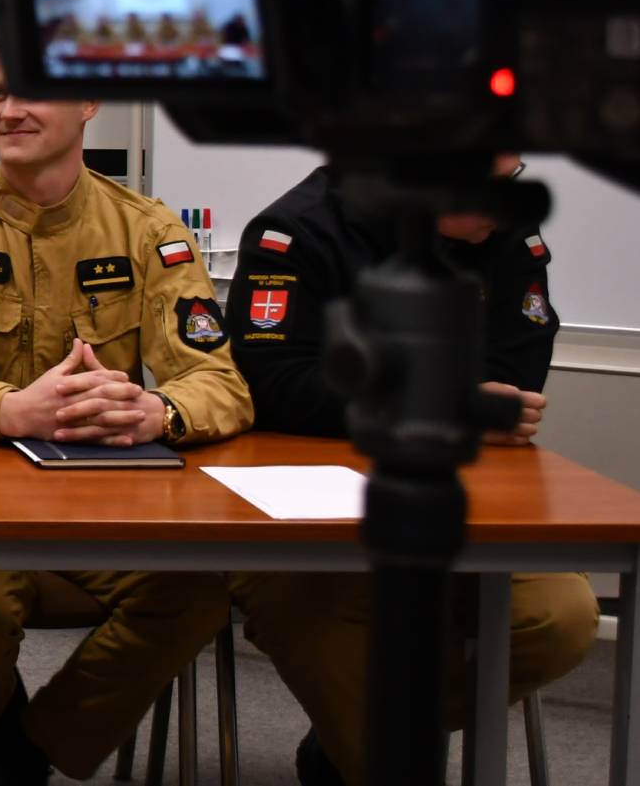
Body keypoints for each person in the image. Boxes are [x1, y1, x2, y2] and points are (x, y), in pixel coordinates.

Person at [0, 47, 253, 786]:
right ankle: (3, 724)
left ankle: (30, 747)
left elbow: (221, 383)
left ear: (88, 104)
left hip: (102, 506)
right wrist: (8, 409)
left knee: (195, 592)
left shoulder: (147, 231)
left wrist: (158, 411)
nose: (9, 110)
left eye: (32, 94)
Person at [229, 160, 599, 786]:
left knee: (559, 618)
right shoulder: (298, 229)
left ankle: (346, 732)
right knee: (310, 622)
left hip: (469, 497)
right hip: (310, 505)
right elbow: (277, 383)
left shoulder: (505, 228)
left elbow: (517, 368)